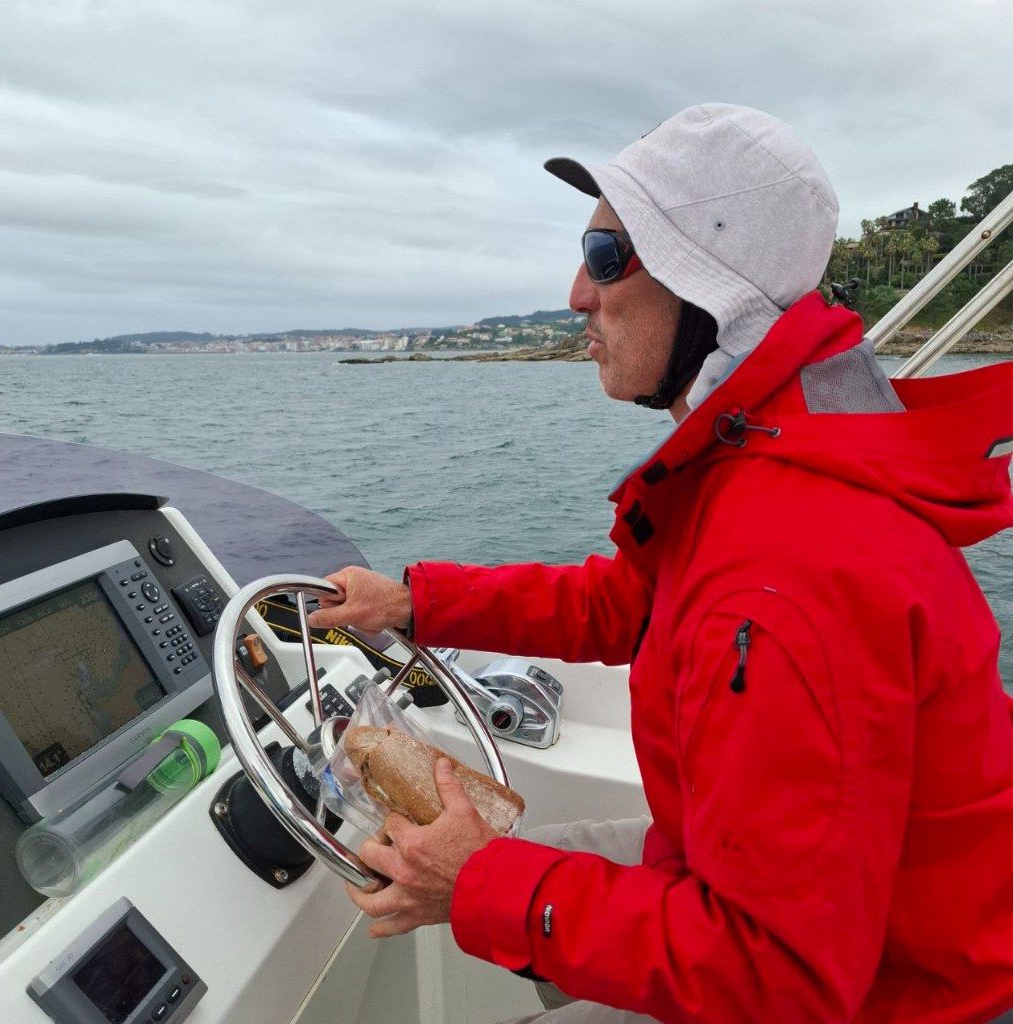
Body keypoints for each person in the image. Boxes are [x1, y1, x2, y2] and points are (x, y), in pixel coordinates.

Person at [308, 104, 1013, 1022]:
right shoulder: (764, 455)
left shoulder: (785, 573)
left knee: (506, 882)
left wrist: (480, 885)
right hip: (827, 911)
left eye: (607, 258)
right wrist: (414, 602)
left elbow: (779, 978)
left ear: (704, 284)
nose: (575, 291)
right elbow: (627, 604)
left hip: (910, 993)